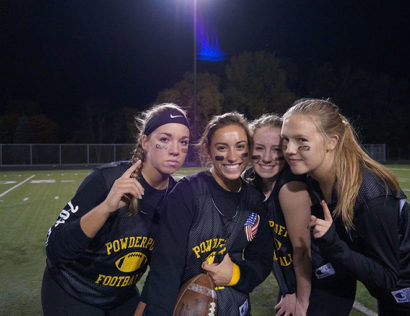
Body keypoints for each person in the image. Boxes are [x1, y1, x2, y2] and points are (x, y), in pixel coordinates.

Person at [281, 98, 410, 315]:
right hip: (395, 293)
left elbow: (388, 278)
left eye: (301, 140)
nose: (289, 149)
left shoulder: (370, 197)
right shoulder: (313, 176)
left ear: (331, 141)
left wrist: (333, 242)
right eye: (285, 140)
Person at [41, 103, 190, 315]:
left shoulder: (176, 198)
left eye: (183, 142)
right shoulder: (106, 179)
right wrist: (106, 208)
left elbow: (161, 272)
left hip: (120, 296)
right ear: (145, 142)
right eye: (164, 140)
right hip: (73, 290)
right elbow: (55, 248)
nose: (175, 150)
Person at [140, 112, 273, 316]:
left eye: (240, 146)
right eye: (222, 147)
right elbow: (166, 270)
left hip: (235, 306)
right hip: (186, 307)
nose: (232, 156)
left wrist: (235, 275)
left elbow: (262, 260)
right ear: (208, 151)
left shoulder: (254, 201)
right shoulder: (187, 194)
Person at [243, 114, 312, 316]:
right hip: (290, 282)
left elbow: (302, 251)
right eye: (259, 148)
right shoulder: (250, 183)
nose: (266, 158)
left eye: (276, 149)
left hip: (316, 283)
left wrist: (300, 298)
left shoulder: (291, 188)